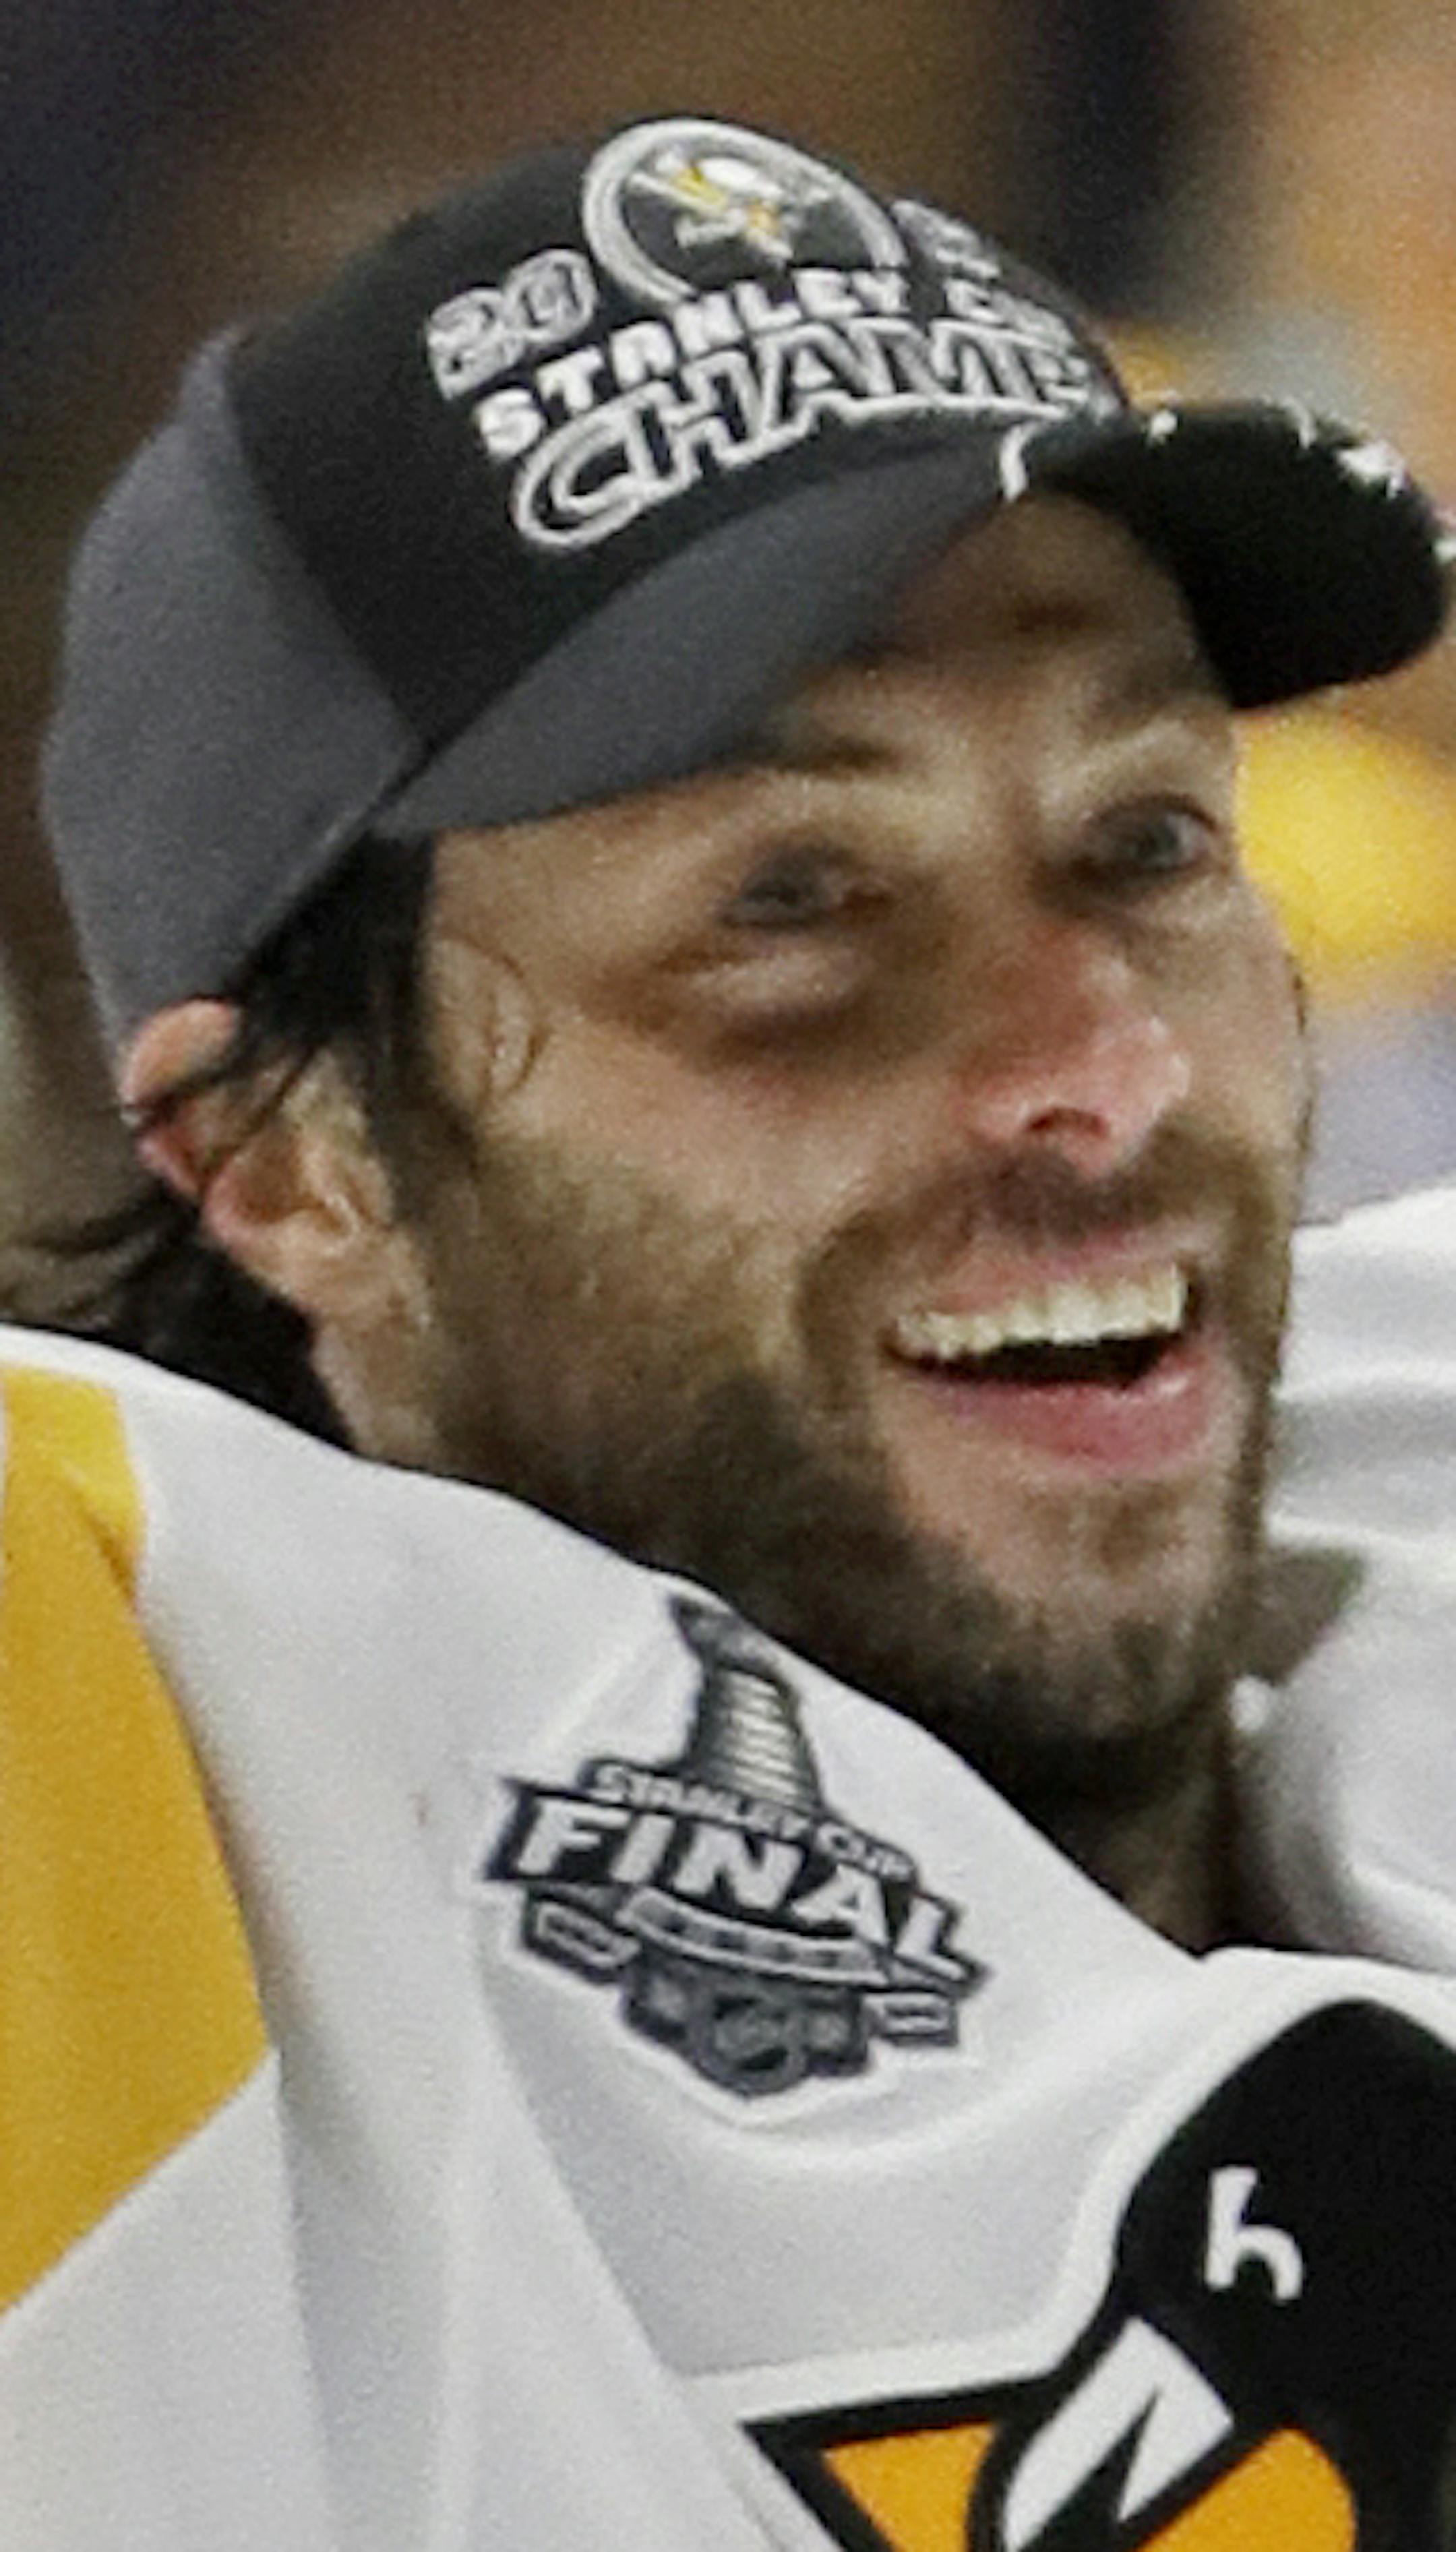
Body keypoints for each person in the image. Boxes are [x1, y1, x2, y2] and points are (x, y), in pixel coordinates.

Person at [10, 112, 1456, 2549]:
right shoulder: (161, 1849)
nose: (1103, 1070)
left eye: (1148, 842)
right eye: (794, 901)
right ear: (288, 1162)